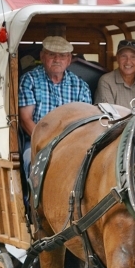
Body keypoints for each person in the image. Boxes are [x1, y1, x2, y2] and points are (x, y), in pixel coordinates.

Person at [18, 35, 91, 175]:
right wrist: (48, 142)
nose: (57, 59)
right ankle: (32, 197)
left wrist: (67, 144)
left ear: (69, 60)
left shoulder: (80, 85)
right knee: (30, 160)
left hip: (73, 143)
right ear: (42, 56)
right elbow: (25, 120)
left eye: (62, 56)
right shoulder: (29, 80)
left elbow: (85, 123)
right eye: (51, 54)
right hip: (38, 141)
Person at [94, 38, 135, 108]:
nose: (128, 61)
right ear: (117, 58)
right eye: (123, 56)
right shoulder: (106, 81)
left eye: (133, 57)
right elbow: (108, 114)